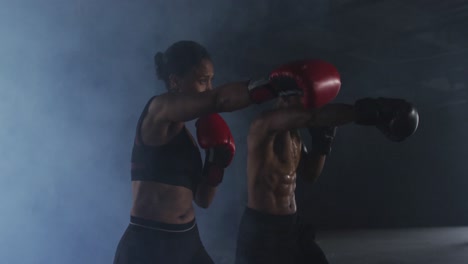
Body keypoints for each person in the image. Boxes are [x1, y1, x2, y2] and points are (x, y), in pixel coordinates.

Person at [113, 41, 331, 264]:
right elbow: (219, 100)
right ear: (175, 82)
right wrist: (271, 86)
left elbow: (203, 199)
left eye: (211, 80)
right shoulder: (158, 109)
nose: (209, 88)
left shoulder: (187, 135)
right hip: (149, 242)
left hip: (187, 239)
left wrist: (216, 165)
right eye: (202, 81)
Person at [235, 60, 419, 264]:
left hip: (291, 226)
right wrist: (374, 111)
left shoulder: (294, 134)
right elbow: (311, 117)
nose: (311, 105)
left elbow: (309, 174)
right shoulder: (264, 124)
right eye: (308, 99)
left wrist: (322, 144)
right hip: (264, 231)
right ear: (290, 96)